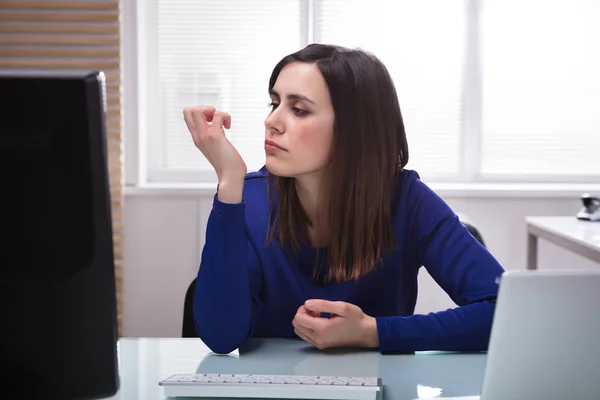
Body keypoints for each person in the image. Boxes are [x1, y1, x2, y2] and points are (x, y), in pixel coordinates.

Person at [184, 43, 505, 355]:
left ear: (354, 129)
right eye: (274, 103)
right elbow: (220, 337)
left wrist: (373, 332)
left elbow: (501, 312)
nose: (272, 121)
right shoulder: (249, 199)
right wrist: (228, 182)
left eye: (298, 109)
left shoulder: (409, 201)